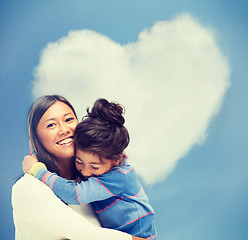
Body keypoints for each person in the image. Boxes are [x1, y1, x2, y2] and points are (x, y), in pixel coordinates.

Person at [12, 95, 146, 240]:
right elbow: (89, 235)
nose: (64, 130)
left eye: (68, 119)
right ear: (36, 139)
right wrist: (36, 170)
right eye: (51, 125)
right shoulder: (28, 187)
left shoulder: (91, 182)